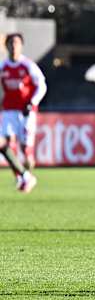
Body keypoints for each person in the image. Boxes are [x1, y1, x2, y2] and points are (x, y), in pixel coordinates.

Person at [0, 33, 47, 192]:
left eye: (17, 43)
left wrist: (32, 102)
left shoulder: (28, 65)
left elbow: (42, 85)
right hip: (8, 111)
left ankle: (26, 175)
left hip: (26, 112)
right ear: (6, 46)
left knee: (26, 152)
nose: (14, 46)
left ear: (21, 46)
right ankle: (23, 177)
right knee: (4, 143)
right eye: (11, 43)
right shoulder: (3, 66)